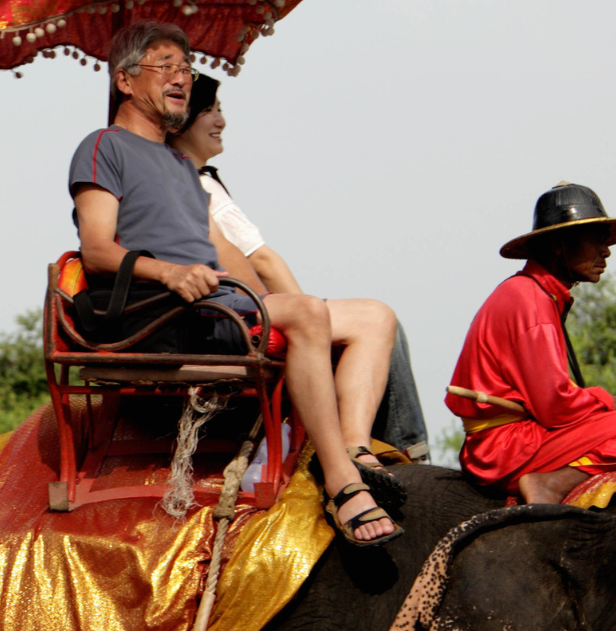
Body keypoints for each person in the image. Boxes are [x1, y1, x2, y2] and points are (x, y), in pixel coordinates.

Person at [69, 21, 399, 545]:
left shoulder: (181, 165)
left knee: (361, 314)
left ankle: (349, 445)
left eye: (186, 67)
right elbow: (97, 248)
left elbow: (223, 253)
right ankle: (341, 482)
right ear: (126, 81)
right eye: (165, 65)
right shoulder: (102, 146)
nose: (181, 77)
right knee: (308, 314)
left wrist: (275, 303)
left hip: (215, 305)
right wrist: (170, 272)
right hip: (160, 313)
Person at [163, 74, 425, 469]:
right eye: (209, 111)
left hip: (224, 308)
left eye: (220, 110)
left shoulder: (181, 181)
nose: (221, 121)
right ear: (181, 123)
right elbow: (260, 260)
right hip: (237, 310)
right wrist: (301, 313)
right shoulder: (198, 185)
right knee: (379, 320)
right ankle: (380, 446)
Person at [447, 182, 616, 503]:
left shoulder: (534, 294)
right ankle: (552, 485)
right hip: (506, 449)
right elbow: (555, 407)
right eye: (596, 241)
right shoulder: (530, 301)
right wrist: (611, 402)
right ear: (560, 244)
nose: (607, 251)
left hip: (508, 442)